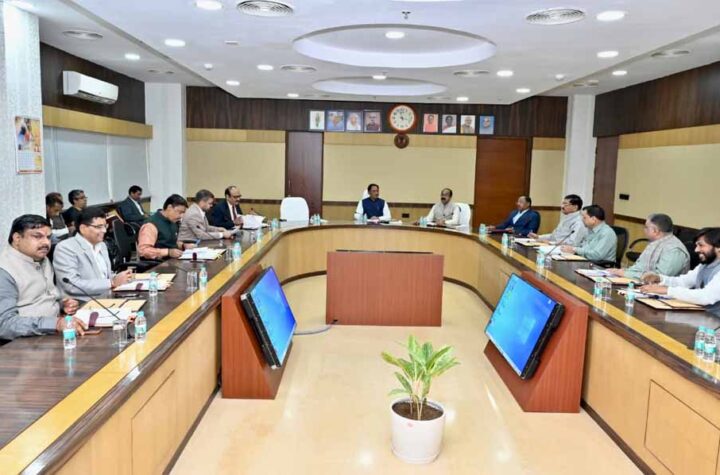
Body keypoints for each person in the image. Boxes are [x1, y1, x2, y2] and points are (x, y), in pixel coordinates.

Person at [0, 214, 85, 341]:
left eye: (48, 237)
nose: (46, 242)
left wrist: (61, 305)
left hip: (51, 332)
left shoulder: (41, 258)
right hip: (22, 343)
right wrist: (54, 324)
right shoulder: (4, 270)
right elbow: (4, 324)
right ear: (17, 238)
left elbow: (40, 299)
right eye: (37, 236)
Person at [54, 207, 133, 300]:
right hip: (83, 302)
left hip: (107, 297)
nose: (104, 230)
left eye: (105, 226)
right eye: (99, 227)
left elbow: (103, 276)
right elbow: (72, 285)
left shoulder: (102, 245)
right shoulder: (65, 248)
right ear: (83, 228)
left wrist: (120, 277)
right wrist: (111, 282)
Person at [641, 228, 720, 316]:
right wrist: (660, 279)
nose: (696, 250)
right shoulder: (705, 265)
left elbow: (706, 296)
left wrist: (667, 290)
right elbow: (683, 282)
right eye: (696, 245)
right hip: (701, 315)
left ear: (718, 247)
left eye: (701, 245)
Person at [608, 214, 689, 279]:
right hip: (646, 286)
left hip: (664, 292)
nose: (644, 230)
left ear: (655, 231)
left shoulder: (674, 250)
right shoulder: (654, 243)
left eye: (646, 227)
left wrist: (627, 274)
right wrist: (622, 271)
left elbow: (659, 278)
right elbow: (640, 267)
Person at [137, 194, 191, 259]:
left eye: (183, 213)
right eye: (180, 212)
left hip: (172, 260)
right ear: (169, 207)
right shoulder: (151, 225)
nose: (181, 216)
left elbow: (170, 242)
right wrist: (168, 252)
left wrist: (183, 246)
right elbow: (143, 251)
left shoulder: (172, 221)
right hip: (158, 263)